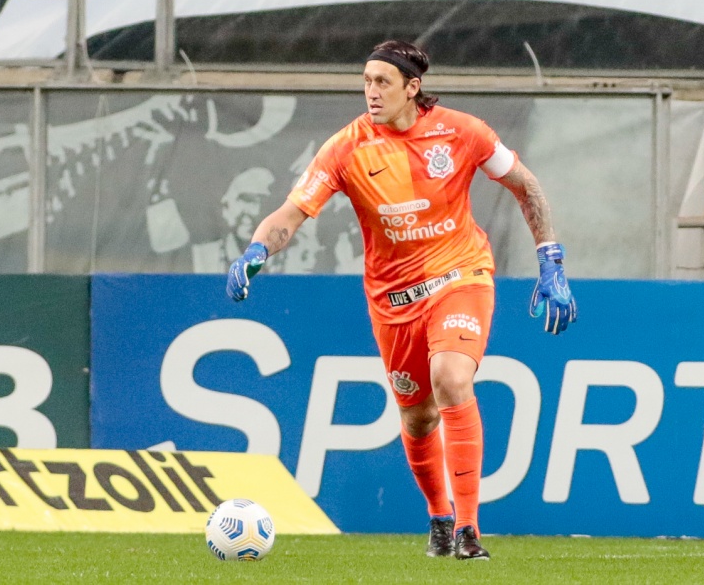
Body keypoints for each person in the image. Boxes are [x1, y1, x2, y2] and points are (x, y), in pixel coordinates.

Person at [225, 39, 576, 560]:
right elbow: (290, 215)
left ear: (413, 88)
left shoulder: (463, 132)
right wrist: (255, 249)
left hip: (460, 274)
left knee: (452, 378)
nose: (371, 92)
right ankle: (438, 516)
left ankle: (469, 529)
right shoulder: (345, 148)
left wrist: (551, 259)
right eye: (366, 81)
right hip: (393, 301)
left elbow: (525, 186)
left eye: (382, 82)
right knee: (417, 418)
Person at [192, 167, 275, 272]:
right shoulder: (204, 257)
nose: (256, 211)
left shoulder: (287, 257)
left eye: (263, 203)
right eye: (247, 200)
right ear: (225, 207)